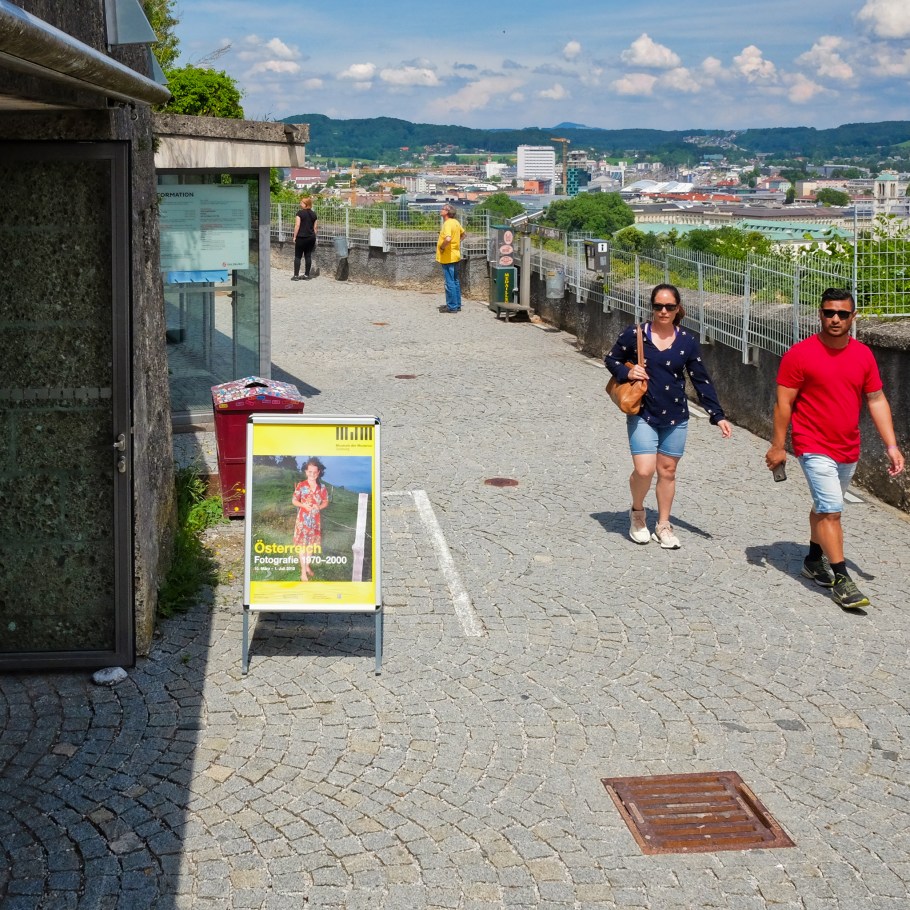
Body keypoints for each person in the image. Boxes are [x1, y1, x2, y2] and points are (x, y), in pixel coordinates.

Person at [765, 288, 904, 610]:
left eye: (842, 314)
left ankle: (814, 560)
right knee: (831, 510)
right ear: (820, 314)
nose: (835, 319)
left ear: (853, 317)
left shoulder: (863, 355)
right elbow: (783, 404)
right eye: (829, 312)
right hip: (812, 443)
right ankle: (842, 580)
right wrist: (777, 446)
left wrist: (892, 445)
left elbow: (876, 399)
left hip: (848, 445)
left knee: (825, 506)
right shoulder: (800, 355)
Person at [605, 283, 733, 549]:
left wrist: (717, 415)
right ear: (652, 307)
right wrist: (627, 373)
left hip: (676, 415)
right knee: (644, 469)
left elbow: (701, 380)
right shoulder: (636, 334)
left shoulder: (687, 340)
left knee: (668, 471)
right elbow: (611, 359)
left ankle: (663, 524)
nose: (663, 311)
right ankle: (638, 514)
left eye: (669, 306)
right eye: (658, 306)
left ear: (678, 309)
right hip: (644, 412)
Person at [292, 457, 329, 580]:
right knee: (303, 545)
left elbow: (325, 502)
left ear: (318, 473)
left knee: (311, 545)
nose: (312, 474)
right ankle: (303, 572)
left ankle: (307, 566)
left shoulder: (322, 487)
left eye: (315, 472)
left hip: (315, 521)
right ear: (306, 472)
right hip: (302, 520)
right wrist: (303, 505)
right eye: (310, 472)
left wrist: (318, 507)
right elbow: (294, 501)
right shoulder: (301, 485)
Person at [435, 204, 465, 312]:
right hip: (456, 255)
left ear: (447, 212)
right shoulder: (456, 222)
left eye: (442, 209)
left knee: (449, 282)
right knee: (455, 281)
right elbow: (464, 234)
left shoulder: (447, 224)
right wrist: (456, 243)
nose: (441, 210)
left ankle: (451, 306)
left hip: (448, 256)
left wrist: (442, 247)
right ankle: (457, 305)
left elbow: (447, 239)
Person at [292, 197, 318, 281]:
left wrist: (294, 236)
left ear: (306, 204)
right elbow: (315, 228)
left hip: (301, 237)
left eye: (301, 203)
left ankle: (296, 276)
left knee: (298, 256)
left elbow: (297, 225)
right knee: (308, 255)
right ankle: (307, 275)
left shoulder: (299, 213)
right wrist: (314, 237)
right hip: (311, 237)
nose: (300, 204)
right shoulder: (314, 214)